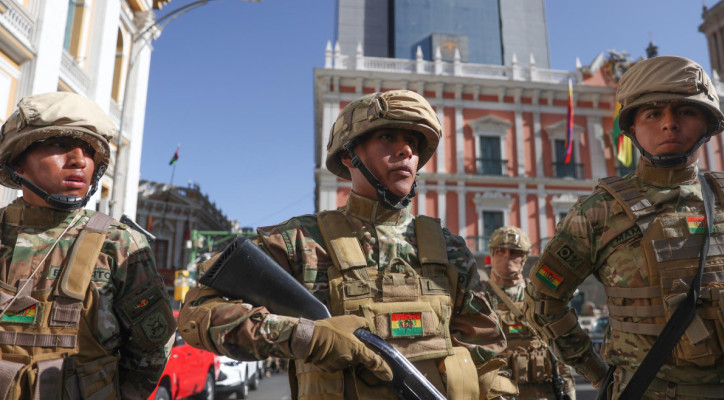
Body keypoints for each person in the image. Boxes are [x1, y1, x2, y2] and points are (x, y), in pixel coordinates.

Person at [179, 90, 512, 399]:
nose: (406, 150)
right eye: (387, 137)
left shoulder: (448, 249)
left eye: (412, 141)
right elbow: (196, 313)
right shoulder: (301, 242)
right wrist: (302, 337)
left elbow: (487, 356)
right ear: (350, 156)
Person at [524, 55, 724, 400]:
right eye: (653, 113)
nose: (669, 124)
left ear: (708, 123)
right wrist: (597, 373)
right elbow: (543, 300)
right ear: (632, 129)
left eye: (685, 111)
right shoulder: (597, 213)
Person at [0, 92, 175, 399]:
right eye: (59, 144)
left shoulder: (118, 245)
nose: (79, 160)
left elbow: (153, 348)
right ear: (18, 161)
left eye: (90, 151)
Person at [484, 226, 576, 400]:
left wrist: (569, 393)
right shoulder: (478, 296)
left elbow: (560, 351)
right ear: (492, 254)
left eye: (514, 252)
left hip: (540, 392)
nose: (506, 256)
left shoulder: (540, 296)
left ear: (524, 257)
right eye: (500, 251)